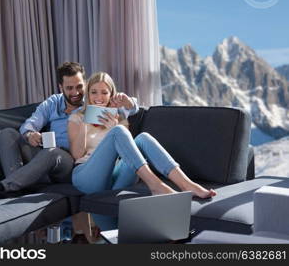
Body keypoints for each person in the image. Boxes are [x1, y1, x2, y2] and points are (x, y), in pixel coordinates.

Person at [0, 62, 139, 242]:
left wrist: (130, 102)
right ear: (60, 87)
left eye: (79, 86)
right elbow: (29, 124)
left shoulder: (93, 104)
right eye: (69, 88)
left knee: (52, 153)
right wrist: (30, 135)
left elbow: (127, 110)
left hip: (70, 162)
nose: (75, 92)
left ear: (84, 83)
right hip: (46, 156)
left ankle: (3, 187)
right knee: (7, 134)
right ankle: (17, 187)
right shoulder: (52, 103)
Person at [68, 72, 216, 229]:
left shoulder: (118, 118)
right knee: (118, 132)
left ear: (111, 95)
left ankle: (187, 185)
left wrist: (115, 126)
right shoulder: (76, 118)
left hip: (114, 180)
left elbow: (128, 152)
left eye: (104, 92)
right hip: (87, 177)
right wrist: (85, 124)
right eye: (94, 92)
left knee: (143, 138)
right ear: (88, 94)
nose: (99, 97)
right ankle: (156, 186)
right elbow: (77, 155)